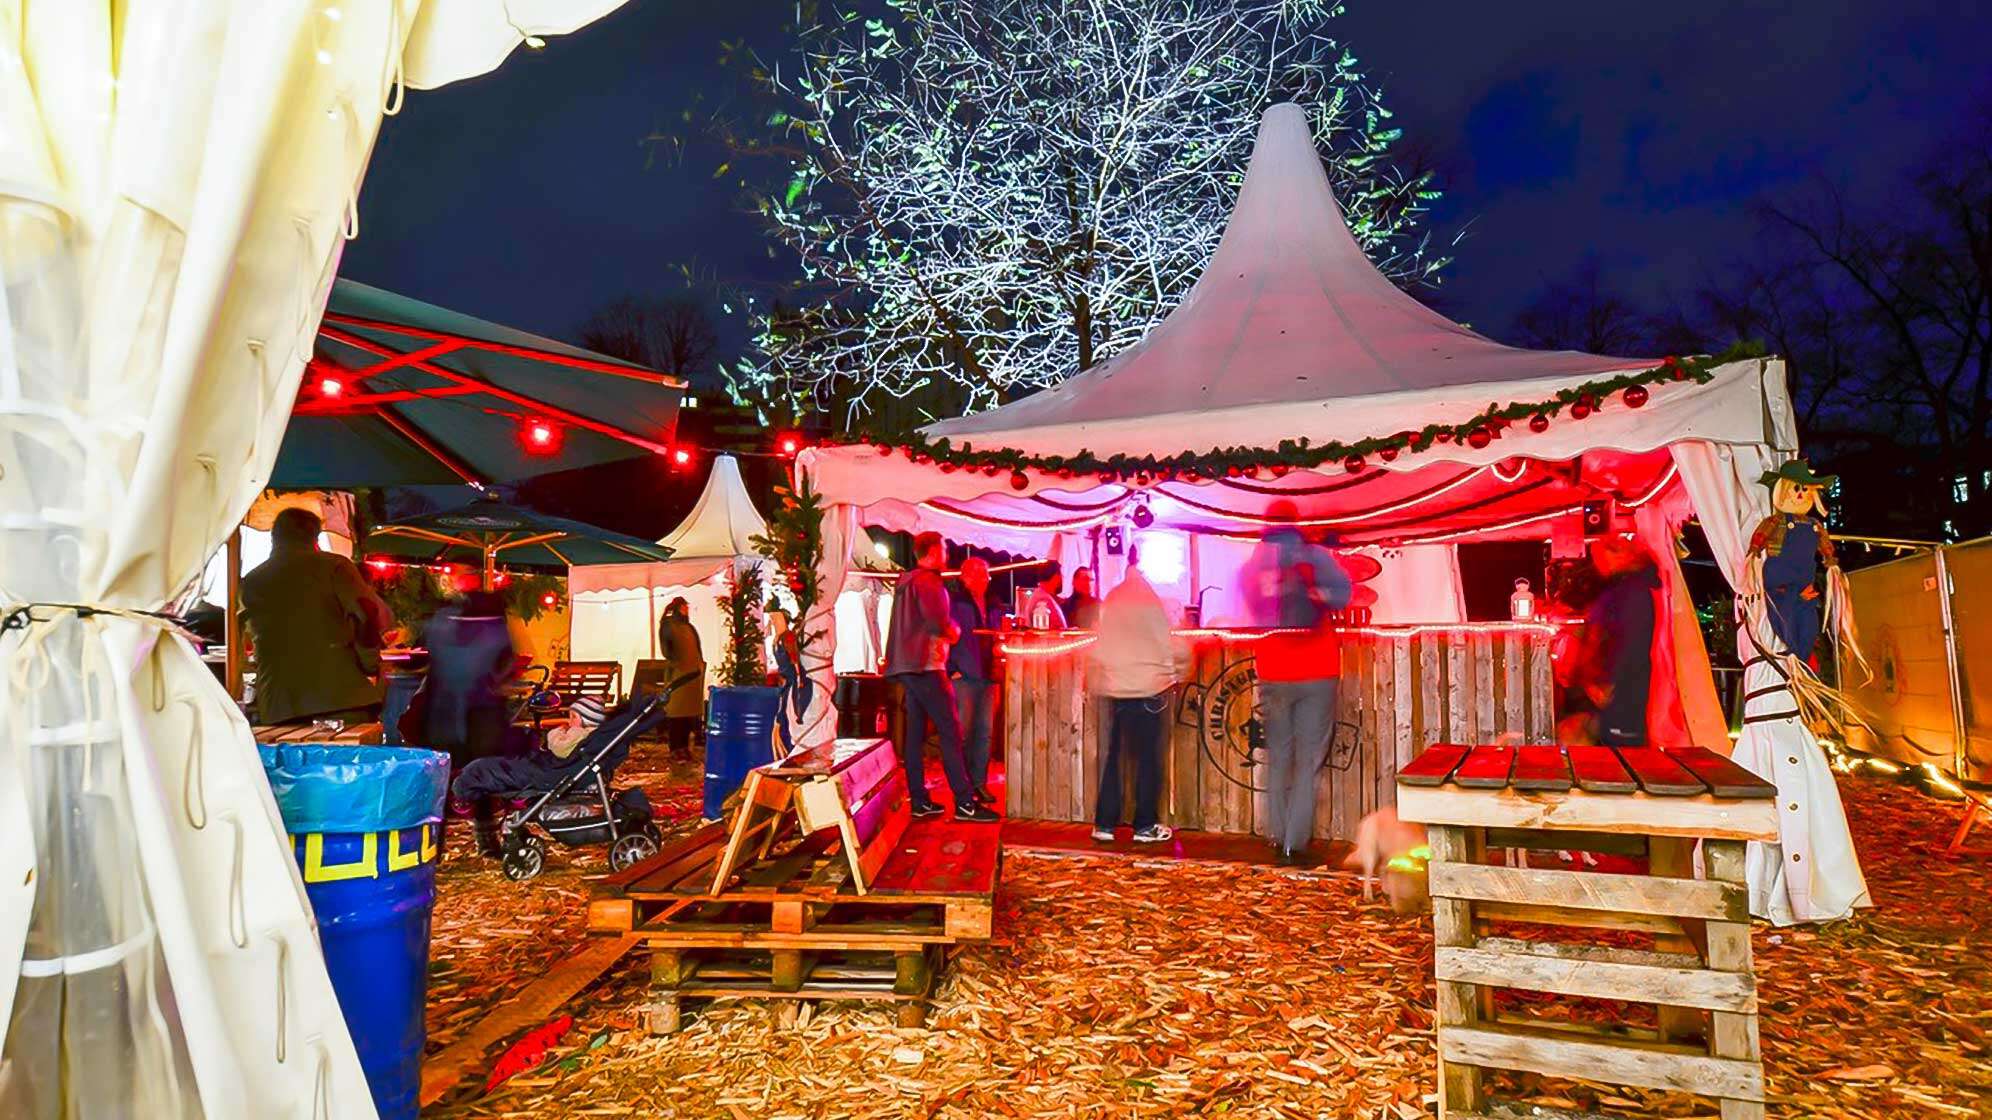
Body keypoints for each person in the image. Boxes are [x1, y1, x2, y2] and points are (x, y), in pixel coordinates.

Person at [1242, 501, 1352, 865]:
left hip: (1274, 668)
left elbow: (1248, 609)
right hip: (1318, 666)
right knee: (1308, 761)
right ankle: (1295, 841)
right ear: (1296, 521)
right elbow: (1345, 595)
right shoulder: (1315, 555)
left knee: (1278, 758)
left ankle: (1276, 836)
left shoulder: (1252, 564)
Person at [237, 507, 391, 725]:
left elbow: (242, 644)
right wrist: (370, 663)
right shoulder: (335, 567)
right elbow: (367, 614)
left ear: (274, 535)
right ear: (315, 536)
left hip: (279, 705)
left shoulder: (251, 582)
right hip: (342, 698)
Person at [884, 532, 997, 822]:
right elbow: (937, 621)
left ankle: (919, 800)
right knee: (951, 730)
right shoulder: (929, 581)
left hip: (908, 666)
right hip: (926, 665)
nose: (947, 552)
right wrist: (955, 631)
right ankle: (964, 802)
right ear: (934, 551)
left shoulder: (905, 582)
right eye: (945, 547)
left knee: (914, 735)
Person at [1088, 553, 1185, 844]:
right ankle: (1144, 825)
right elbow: (1166, 643)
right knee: (1147, 761)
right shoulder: (1150, 598)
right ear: (1142, 566)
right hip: (1147, 687)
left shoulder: (1113, 596)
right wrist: (1176, 670)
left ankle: (1104, 824)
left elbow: (1100, 643)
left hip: (1116, 687)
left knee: (1114, 759)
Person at [423, 571, 519, 855]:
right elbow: (508, 663)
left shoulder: (440, 621)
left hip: (444, 710)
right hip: (482, 711)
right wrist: (498, 682)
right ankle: (487, 841)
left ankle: (434, 845)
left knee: (441, 777)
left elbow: (423, 656)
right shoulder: (494, 624)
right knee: (484, 774)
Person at [1584, 535, 1661, 747]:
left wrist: (1609, 680)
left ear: (1617, 554)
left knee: (1623, 753)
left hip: (1624, 692)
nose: (1598, 564)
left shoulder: (1633, 591)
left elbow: (1633, 641)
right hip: (1623, 690)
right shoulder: (1631, 587)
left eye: (1600, 556)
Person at [949, 557, 999, 803]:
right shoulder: (954, 602)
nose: (984, 579)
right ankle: (963, 786)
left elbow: (1000, 633)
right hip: (965, 676)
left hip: (988, 676)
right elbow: (943, 633)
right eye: (978, 574)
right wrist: (951, 669)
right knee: (965, 732)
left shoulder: (993, 603)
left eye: (986, 574)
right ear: (965, 576)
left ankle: (978, 783)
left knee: (985, 732)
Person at [657, 596, 705, 759]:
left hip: (692, 676)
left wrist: (699, 666)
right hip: (679, 675)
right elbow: (666, 649)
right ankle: (675, 747)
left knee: (687, 714)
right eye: (685, 606)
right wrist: (677, 661)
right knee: (676, 714)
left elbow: (698, 648)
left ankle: (684, 746)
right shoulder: (669, 625)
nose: (687, 609)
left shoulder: (689, 627)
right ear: (679, 607)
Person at [766, 602, 813, 754]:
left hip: (792, 682)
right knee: (782, 716)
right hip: (786, 682)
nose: (773, 623)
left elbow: (794, 660)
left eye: (775, 619)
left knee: (788, 716)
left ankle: (792, 749)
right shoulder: (777, 639)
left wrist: (798, 679)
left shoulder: (787, 637)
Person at [1022, 563, 1068, 630]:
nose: (1062, 578)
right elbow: (1052, 630)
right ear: (1056, 576)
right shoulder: (1043, 600)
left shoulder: (1040, 595)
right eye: (1061, 574)